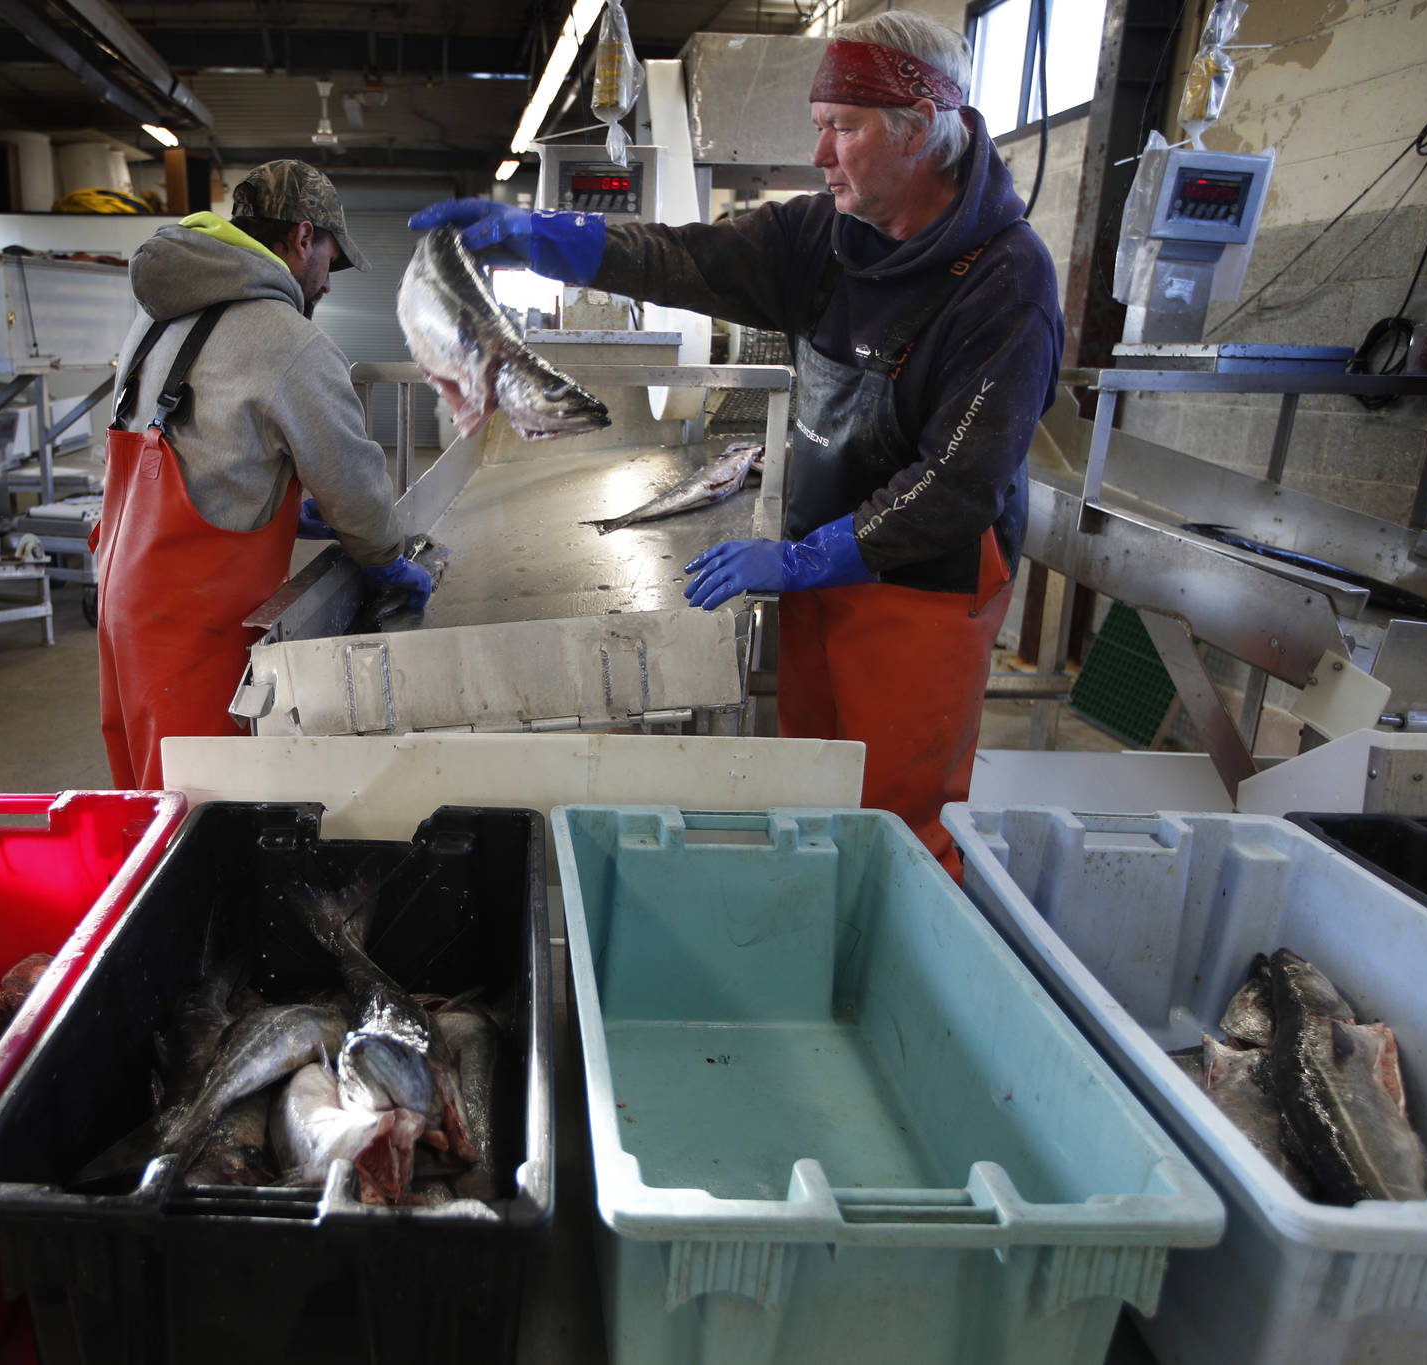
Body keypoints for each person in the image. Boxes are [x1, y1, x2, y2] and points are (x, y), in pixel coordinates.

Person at [412, 12, 1061, 878]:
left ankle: (892, 982)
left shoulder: (1007, 282)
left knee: (897, 827)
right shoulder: (827, 240)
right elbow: (687, 257)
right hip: (821, 569)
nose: (821, 154)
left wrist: (808, 558)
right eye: (818, 124)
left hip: (921, 594)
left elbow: (956, 485)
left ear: (921, 134)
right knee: (810, 793)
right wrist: (545, 237)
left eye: (844, 128)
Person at [95, 160, 434, 788]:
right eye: (331, 260)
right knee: (202, 809)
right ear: (304, 238)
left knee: (143, 796)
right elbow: (354, 484)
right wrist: (383, 554)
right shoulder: (288, 342)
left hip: (124, 608)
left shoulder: (157, 317)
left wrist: (274, 500)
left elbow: (200, 444)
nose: (328, 285)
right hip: (197, 630)